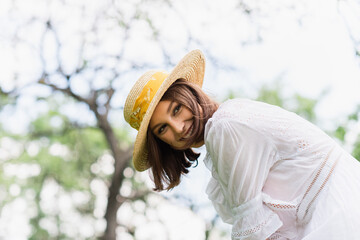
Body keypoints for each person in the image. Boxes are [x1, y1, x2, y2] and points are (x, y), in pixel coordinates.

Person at [123, 50, 360, 239]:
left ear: (189, 94)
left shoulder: (225, 127)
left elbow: (254, 229)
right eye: (162, 128)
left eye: (176, 109)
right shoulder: (226, 125)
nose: (178, 127)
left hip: (336, 212)